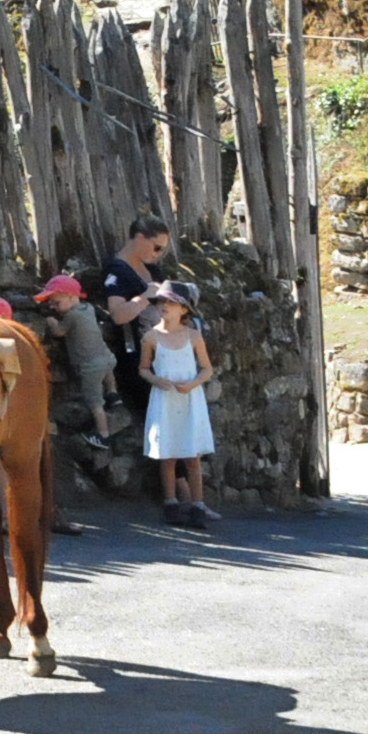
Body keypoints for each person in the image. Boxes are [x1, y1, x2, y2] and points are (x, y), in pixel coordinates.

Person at [140, 281, 217, 527]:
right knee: (168, 455)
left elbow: (207, 369)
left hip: (188, 399)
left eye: (171, 303)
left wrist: (194, 383)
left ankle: (197, 505)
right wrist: (156, 379)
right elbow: (143, 368)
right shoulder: (151, 336)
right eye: (163, 301)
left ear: (183, 309)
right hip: (164, 398)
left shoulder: (193, 336)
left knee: (192, 455)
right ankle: (171, 503)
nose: (165, 306)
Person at [36, 272, 126, 445]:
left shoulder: (71, 316)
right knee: (108, 371)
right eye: (51, 304)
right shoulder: (88, 309)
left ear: (71, 298)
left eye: (56, 303)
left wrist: (50, 320)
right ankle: (113, 393)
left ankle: (103, 435)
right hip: (105, 356)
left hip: (90, 366)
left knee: (94, 402)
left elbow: (59, 332)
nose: (53, 307)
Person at [99, 216, 174, 414]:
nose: (159, 254)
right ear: (140, 238)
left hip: (166, 355)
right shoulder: (117, 270)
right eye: (156, 247)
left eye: (162, 250)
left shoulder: (152, 269)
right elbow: (117, 315)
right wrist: (144, 298)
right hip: (140, 360)